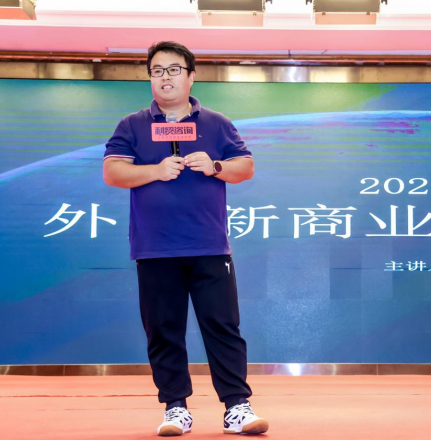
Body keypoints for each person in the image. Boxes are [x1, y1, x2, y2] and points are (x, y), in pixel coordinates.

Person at [103, 41, 268, 436]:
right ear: (150, 78)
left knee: (223, 327)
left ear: (191, 76)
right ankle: (175, 408)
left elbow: (245, 167)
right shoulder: (132, 125)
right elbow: (113, 172)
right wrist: (156, 170)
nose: (166, 77)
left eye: (174, 69)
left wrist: (215, 166)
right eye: (157, 70)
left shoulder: (216, 123)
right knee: (163, 330)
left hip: (209, 245)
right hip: (155, 247)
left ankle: (237, 407)